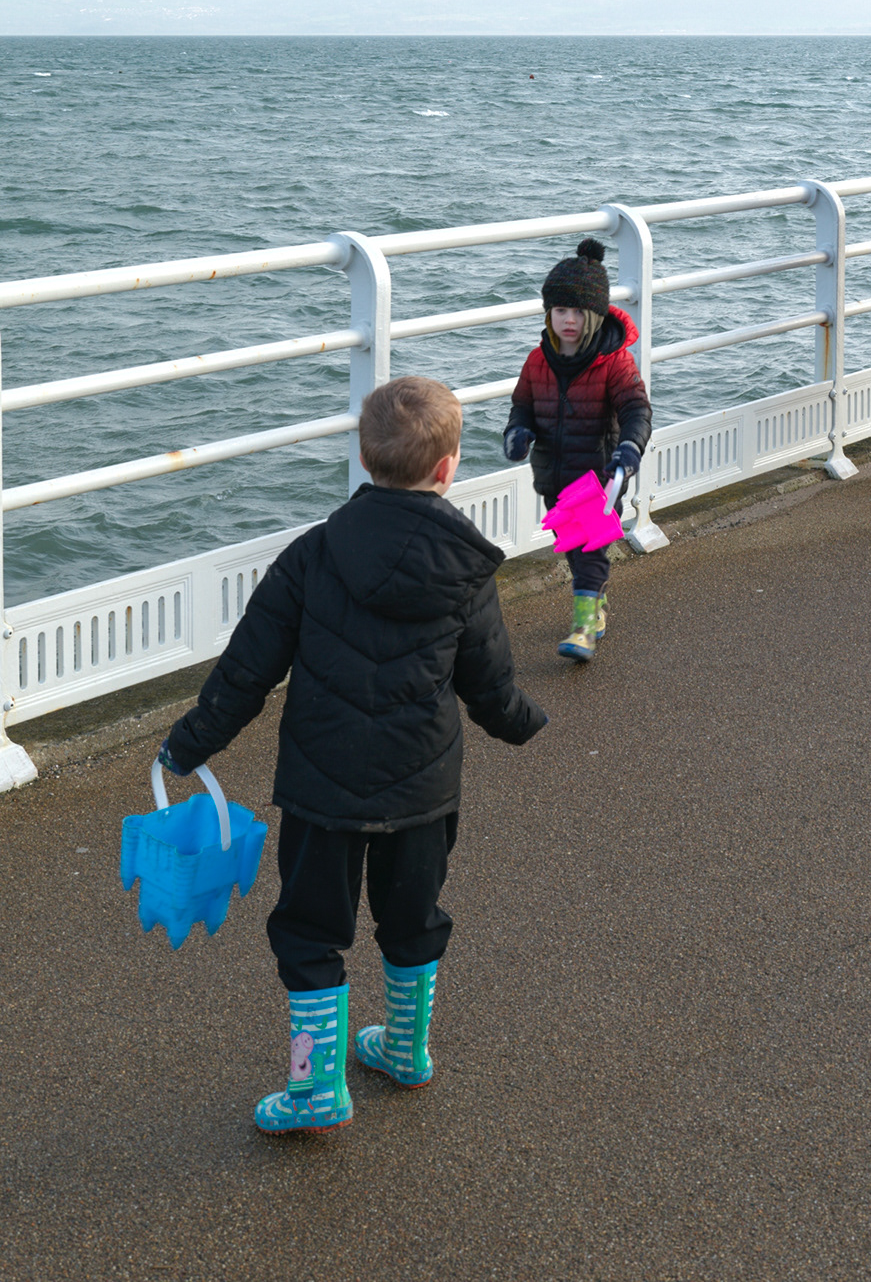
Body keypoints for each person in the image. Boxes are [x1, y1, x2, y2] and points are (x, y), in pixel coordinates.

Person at [158, 375, 547, 1133]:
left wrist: (188, 743)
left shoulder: (310, 555)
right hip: (422, 791)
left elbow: (247, 671)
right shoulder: (465, 569)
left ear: (366, 458)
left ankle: (314, 1088)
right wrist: (525, 722)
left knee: (309, 933)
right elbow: (490, 683)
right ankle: (405, 1052)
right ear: (448, 467)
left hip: (322, 792)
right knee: (412, 918)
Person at [501, 235, 651, 662]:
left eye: (578, 313)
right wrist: (518, 434)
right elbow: (522, 407)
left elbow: (636, 408)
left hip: (602, 473)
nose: (569, 321)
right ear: (549, 313)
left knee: (590, 548)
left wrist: (629, 448)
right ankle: (597, 601)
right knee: (574, 546)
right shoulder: (537, 360)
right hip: (554, 473)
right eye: (560, 310)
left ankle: (584, 626)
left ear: (595, 314)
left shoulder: (615, 362)